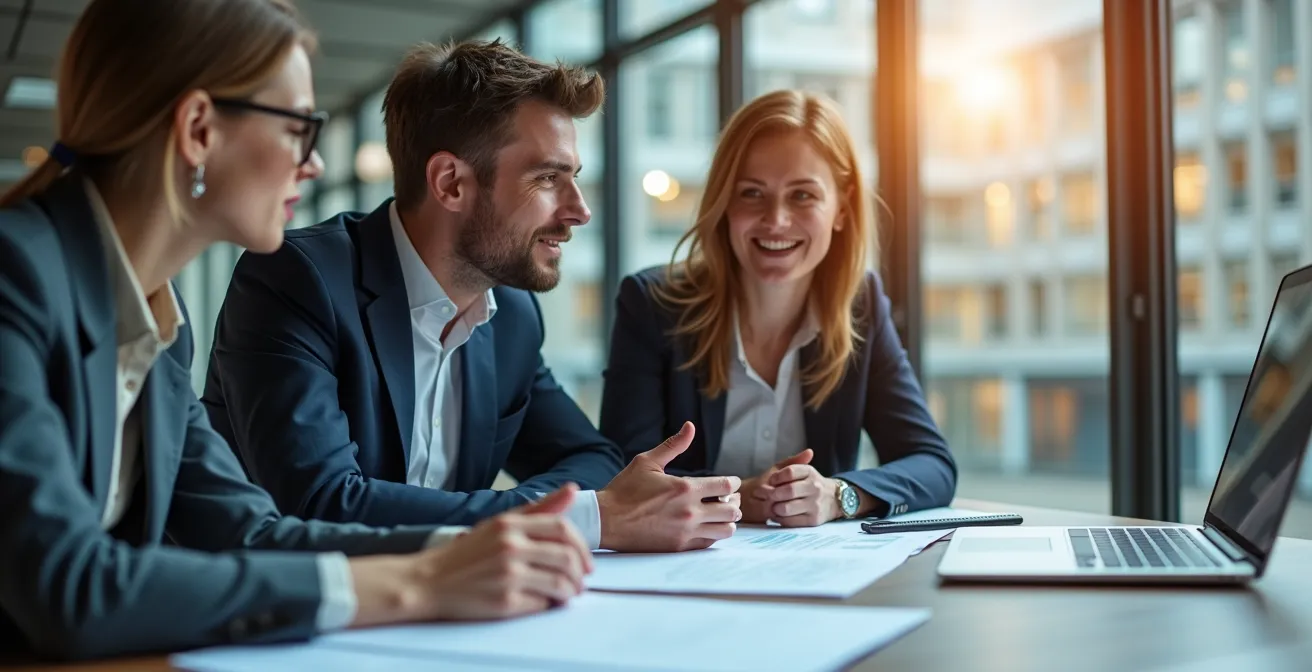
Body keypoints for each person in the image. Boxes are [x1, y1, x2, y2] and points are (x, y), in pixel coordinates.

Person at [0, 0, 595, 661]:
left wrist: (466, 552)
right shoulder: (15, 275)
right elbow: (67, 584)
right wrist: (417, 583)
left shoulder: (156, 316)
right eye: (297, 130)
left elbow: (250, 531)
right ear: (199, 128)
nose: (312, 165)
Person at [200, 39, 741, 554]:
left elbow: (592, 456)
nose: (580, 210)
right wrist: (582, 518)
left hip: (447, 612)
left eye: (573, 177)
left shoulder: (512, 317)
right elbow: (320, 505)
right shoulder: (297, 280)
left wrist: (563, 510)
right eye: (548, 179)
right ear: (451, 183)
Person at [599, 90, 958, 528]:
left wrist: (838, 494)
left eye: (803, 196)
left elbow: (932, 464)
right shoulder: (651, 304)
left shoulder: (860, 306)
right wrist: (739, 497)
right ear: (725, 202)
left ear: (841, 209)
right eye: (751, 193)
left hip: (814, 575)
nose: (776, 220)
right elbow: (624, 475)